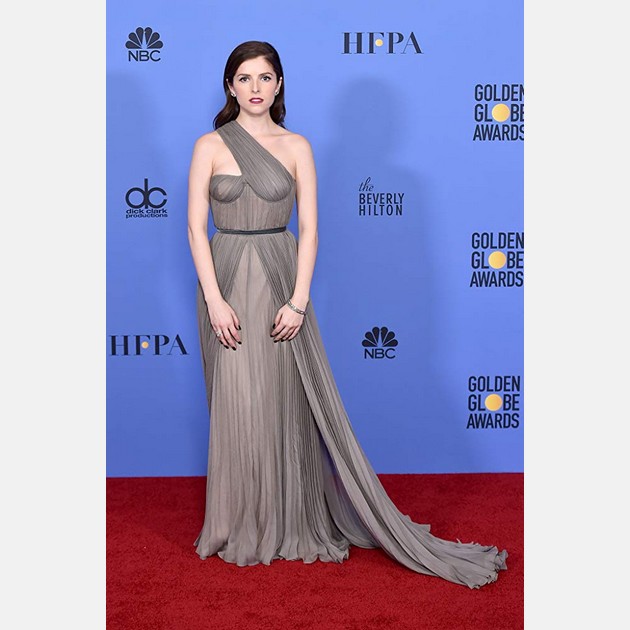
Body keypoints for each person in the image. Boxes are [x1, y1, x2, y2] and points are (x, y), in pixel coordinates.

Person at [187, 40, 508, 589]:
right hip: (225, 283)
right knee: (237, 403)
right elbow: (196, 228)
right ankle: (236, 524)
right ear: (230, 86)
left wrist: (298, 300)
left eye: (265, 77)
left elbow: (310, 230)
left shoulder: (296, 146)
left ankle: (289, 522)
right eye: (244, 78)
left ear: (279, 84)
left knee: (281, 404)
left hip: (281, 280)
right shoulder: (209, 146)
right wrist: (215, 299)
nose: (255, 88)